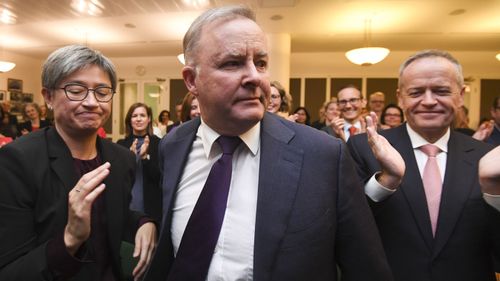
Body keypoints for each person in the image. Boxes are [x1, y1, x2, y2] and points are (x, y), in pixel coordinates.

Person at [144, 5, 392, 281]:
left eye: (260, 63)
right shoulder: (173, 145)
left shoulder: (322, 155)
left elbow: (366, 269)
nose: (255, 77)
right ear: (192, 80)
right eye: (232, 63)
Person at [0, 45, 156, 280]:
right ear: (48, 97)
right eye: (76, 90)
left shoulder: (120, 159)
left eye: (102, 91)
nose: (92, 102)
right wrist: (70, 238)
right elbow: (11, 271)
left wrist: (144, 222)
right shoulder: (17, 161)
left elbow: (112, 216)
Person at [347, 49, 500, 281]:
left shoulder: (487, 158)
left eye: (441, 91)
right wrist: (386, 182)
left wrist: (493, 193)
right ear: (400, 97)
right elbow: (348, 230)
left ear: (460, 95)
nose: (428, 101)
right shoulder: (365, 148)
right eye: (416, 92)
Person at [117, 103, 162, 223]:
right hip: (126, 205)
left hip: (151, 207)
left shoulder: (158, 144)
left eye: (142, 115)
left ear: (148, 120)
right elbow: (117, 178)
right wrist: (129, 159)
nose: (138, 119)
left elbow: (160, 177)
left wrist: (144, 158)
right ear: (129, 120)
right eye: (134, 116)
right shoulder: (121, 144)